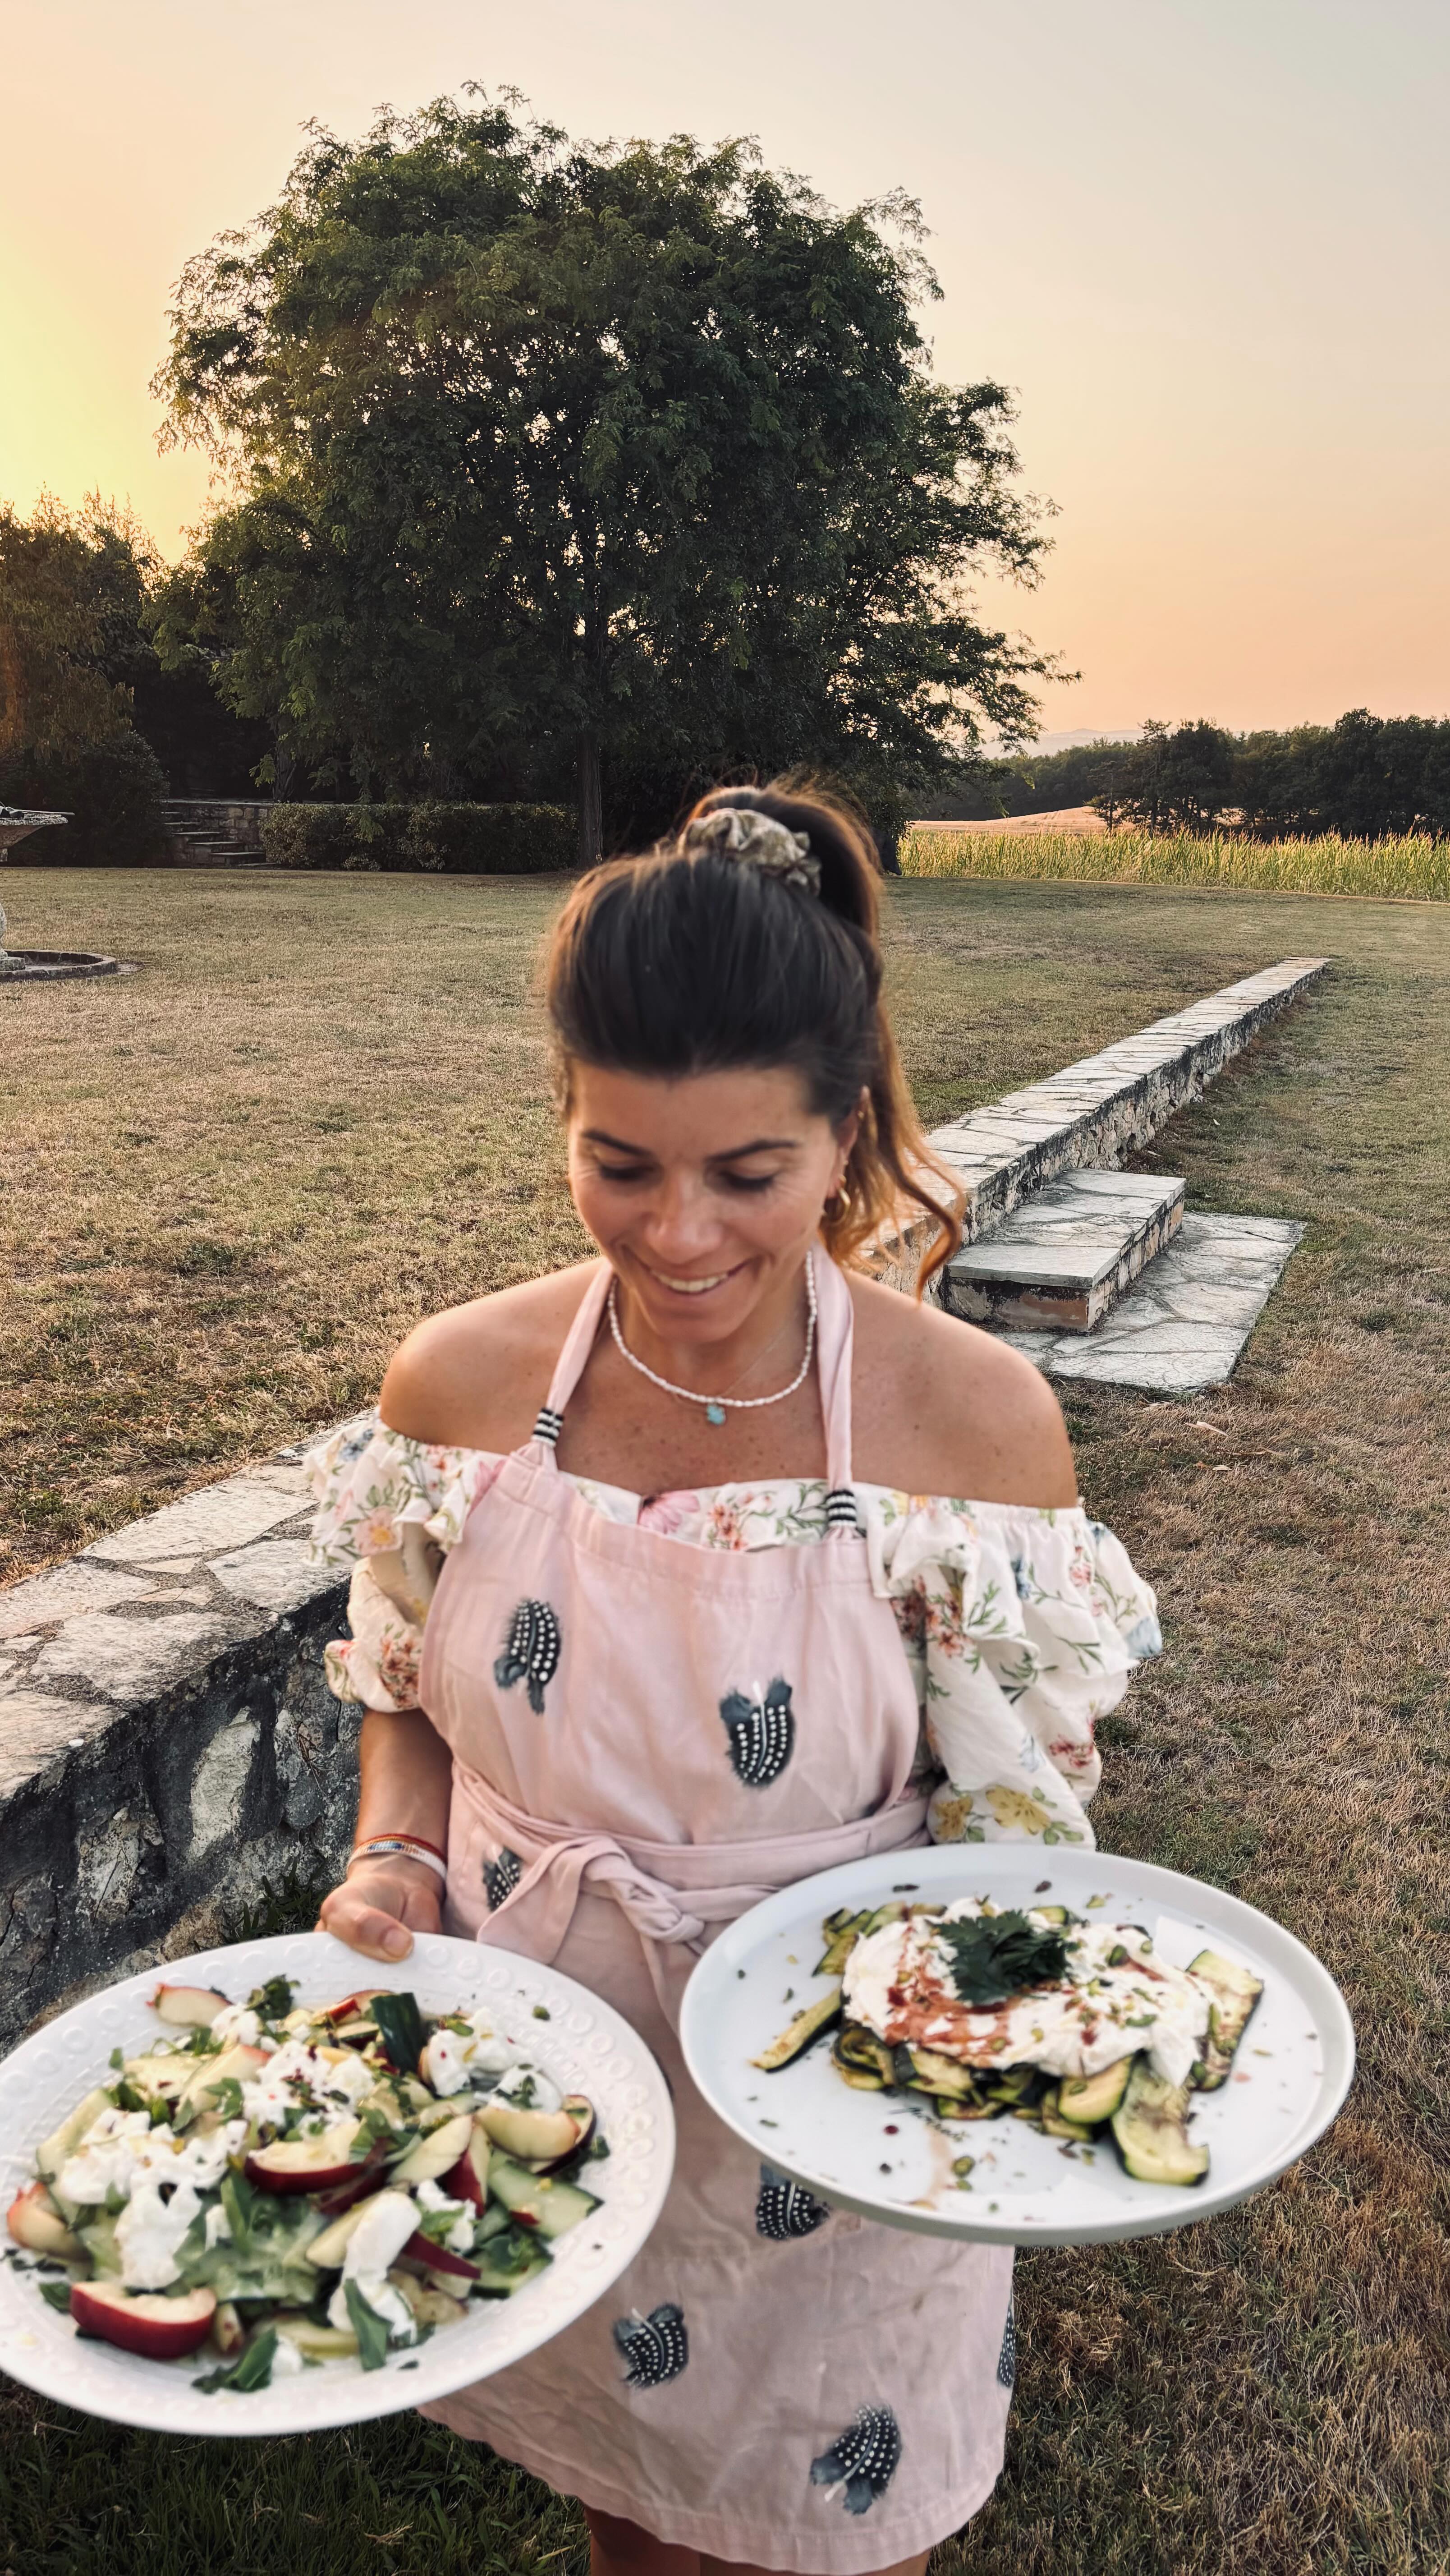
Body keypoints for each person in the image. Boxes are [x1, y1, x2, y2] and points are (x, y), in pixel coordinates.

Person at [307, 781, 1161, 2576]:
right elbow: (403, 1677)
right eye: (621, 1163)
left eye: (746, 1174)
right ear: (565, 1118)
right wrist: (397, 1850)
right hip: (559, 2063)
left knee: (836, 2530)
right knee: (632, 2511)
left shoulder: (968, 1425)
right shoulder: (456, 1391)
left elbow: (1018, 1813)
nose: (678, 1233)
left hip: (842, 2105)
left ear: (846, 1137)